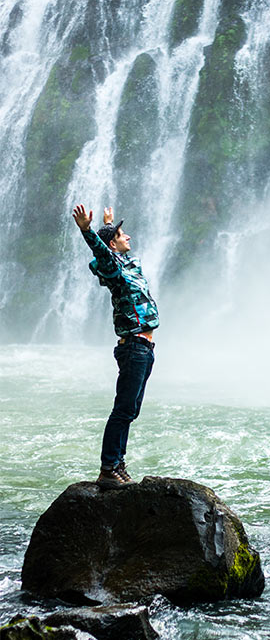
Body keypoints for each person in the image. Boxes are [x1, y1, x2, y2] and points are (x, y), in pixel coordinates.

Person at [72, 204, 159, 488]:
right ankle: (108, 467)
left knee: (130, 410)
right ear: (112, 244)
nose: (129, 237)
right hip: (134, 346)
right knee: (123, 409)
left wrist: (110, 225)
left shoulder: (129, 265)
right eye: (123, 235)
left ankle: (118, 464)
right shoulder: (114, 270)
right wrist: (88, 231)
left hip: (145, 348)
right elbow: (102, 254)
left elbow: (116, 253)